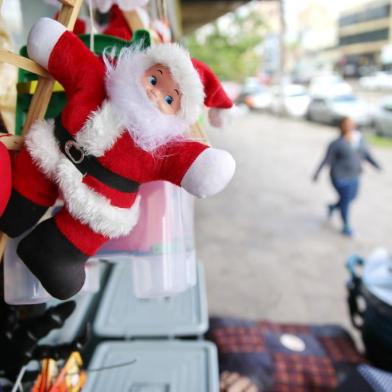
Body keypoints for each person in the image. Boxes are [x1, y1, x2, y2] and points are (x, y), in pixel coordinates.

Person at [313, 116, 381, 236]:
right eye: (346, 124)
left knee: (351, 198)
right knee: (345, 201)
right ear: (341, 127)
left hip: (354, 175)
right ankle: (346, 226)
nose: (349, 126)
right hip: (340, 177)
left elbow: (367, 155)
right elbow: (326, 159)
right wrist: (317, 173)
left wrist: (376, 165)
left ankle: (333, 207)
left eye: (351, 124)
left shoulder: (360, 140)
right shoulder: (336, 143)